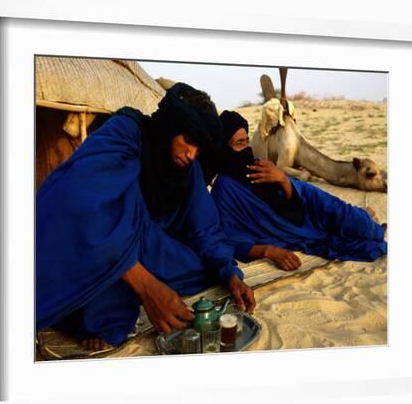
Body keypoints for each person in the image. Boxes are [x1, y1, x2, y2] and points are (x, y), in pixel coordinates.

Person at [36, 84, 255, 351]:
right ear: (170, 126)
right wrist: (147, 286)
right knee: (96, 291)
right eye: (189, 140)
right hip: (101, 240)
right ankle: (86, 314)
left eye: (199, 149)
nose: (191, 154)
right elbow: (77, 203)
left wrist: (230, 274)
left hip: (148, 246)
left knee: (203, 268)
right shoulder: (125, 133)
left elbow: (206, 228)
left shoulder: (188, 170)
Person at [211, 110, 387, 271]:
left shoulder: (258, 165)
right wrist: (268, 251)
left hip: (309, 208)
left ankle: (366, 219)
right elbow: (227, 239)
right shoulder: (224, 189)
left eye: (247, 141)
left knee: (361, 225)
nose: (247, 148)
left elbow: (298, 197)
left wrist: (281, 178)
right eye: (239, 143)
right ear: (225, 148)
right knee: (366, 246)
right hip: (295, 231)